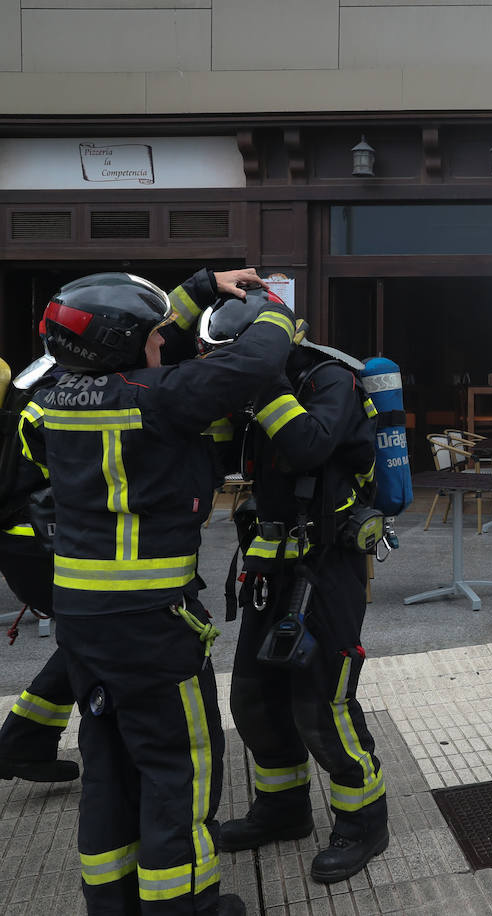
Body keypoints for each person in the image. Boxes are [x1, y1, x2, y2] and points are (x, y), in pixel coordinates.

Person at [22, 267, 294, 915]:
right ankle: (187, 907)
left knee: (108, 765)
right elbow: (255, 361)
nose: (160, 346)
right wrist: (273, 306)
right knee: (181, 771)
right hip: (154, 628)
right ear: (125, 344)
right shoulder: (161, 400)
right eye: (150, 338)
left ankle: (111, 903)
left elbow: (102, 340)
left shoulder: (46, 400)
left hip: (83, 626)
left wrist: (200, 286)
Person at [211, 293, 389, 885]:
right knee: (255, 700)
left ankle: (363, 821)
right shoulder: (256, 384)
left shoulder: (330, 377)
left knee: (322, 704)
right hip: (269, 561)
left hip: (327, 564)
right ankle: (283, 809)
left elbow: (310, 444)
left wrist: (260, 390)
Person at [0, 355, 78, 785]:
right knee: (91, 638)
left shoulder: (33, 383)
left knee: (83, 641)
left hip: (23, 542)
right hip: (40, 542)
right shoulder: (60, 393)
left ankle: (26, 743)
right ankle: (20, 744)